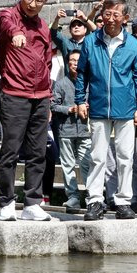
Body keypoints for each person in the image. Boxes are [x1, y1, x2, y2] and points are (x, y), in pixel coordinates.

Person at [75, 0, 137, 221]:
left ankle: (124, 201)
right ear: (101, 16)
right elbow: (82, 74)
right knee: (97, 156)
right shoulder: (90, 41)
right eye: (107, 14)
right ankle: (95, 201)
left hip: (126, 107)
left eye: (116, 14)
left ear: (125, 18)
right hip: (97, 106)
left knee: (126, 156)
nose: (111, 19)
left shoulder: (134, 44)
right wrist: (80, 100)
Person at [0, 0, 53, 222]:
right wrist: (17, 33)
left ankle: (32, 202)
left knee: (38, 151)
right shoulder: (7, 16)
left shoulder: (43, 27)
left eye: (39, 0)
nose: (33, 3)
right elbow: (6, 22)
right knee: (10, 150)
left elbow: (48, 61)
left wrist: (48, 95)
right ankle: (6, 202)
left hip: (41, 96)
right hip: (15, 93)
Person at [51, 49, 91, 209]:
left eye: (78, 60)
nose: (75, 63)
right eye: (72, 60)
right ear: (68, 63)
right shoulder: (60, 84)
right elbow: (53, 105)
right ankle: (73, 197)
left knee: (87, 163)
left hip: (85, 130)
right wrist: (69, 109)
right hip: (65, 130)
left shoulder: (89, 82)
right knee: (67, 166)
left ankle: (91, 197)